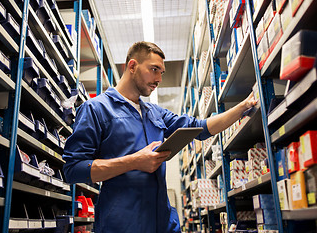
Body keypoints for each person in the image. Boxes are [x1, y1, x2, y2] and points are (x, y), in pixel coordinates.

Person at [63, 41, 257, 233]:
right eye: (154, 69)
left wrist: (242, 108)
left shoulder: (154, 113)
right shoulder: (96, 109)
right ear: (132, 66)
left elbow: (200, 128)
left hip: (162, 222)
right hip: (122, 224)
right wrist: (135, 161)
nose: (159, 79)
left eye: (161, 72)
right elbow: (73, 169)